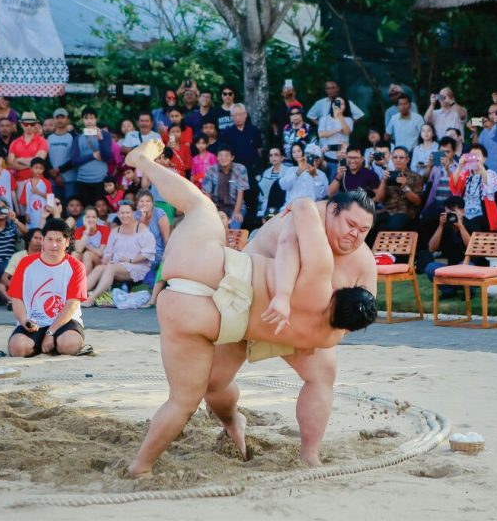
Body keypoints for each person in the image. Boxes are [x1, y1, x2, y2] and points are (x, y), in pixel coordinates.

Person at [123, 140, 376, 475]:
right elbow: (288, 243)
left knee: (323, 375)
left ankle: (309, 453)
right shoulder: (309, 235)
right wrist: (285, 298)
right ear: (330, 210)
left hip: (269, 316)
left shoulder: (347, 264)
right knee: (213, 386)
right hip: (239, 307)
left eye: (364, 231)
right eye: (351, 226)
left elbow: (353, 317)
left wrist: (292, 305)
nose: (355, 235)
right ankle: (232, 423)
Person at [7, 218, 87, 357]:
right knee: (17, 348)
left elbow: (73, 304)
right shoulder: (26, 263)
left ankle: (53, 343)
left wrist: (51, 332)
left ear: (67, 242)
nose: (54, 244)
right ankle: (38, 345)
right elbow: (16, 298)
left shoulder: (76, 266)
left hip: (65, 321)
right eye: (49, 239)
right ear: (43, 240)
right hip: (34, 321)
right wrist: (24, 320)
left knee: (70, 344)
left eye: (59, 240)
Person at [84, 200, 155, 305]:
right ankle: (78, 294)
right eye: (122, 213)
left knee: (111, 268)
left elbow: (147, 253)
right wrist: (107, 258)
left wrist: (130, 260)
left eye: (127, 212)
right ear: (118, 214)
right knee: (100, 268)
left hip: (136, 266)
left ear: (133, 213)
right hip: (117, 264)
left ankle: (92, 298)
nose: (125, 215)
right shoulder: (115, 231)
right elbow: (108, 251)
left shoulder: (141, 228)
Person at [448, 143, 497, 232]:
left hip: (483, 215)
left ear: (484, 159)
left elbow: (491, 187)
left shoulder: (490, 173)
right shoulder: (465, 174)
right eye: (472, 155)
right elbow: (454, 189)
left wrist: (481, 168)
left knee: (471, 224)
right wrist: (460, 166)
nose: (475, 158)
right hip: (464, 214)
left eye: (478, 155)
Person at [372, 146, 424, 234]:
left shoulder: (416, 177)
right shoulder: (387, 175)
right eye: (395, 157)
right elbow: (378, 199)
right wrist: (384, 181)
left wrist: (405, 187)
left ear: (407, 159)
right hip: (386, 211)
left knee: (394, 224)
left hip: (404, 212)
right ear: (392, 159)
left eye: (401, 158)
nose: (398, 160)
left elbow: (418, 202)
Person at [69, 107, 113, 206]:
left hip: (101, 180)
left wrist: (101, 139)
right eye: (86, 118)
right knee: (86, 210)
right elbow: (74, 161)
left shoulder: (105, 135)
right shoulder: (78, 138)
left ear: (96, 119)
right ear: (82, 120)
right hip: (83, 180)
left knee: (101, 210)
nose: (89, 121)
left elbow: (107, 157)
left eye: (92, 118)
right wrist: (92, 155)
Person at [202, 148, 250, 228]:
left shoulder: (240, 169)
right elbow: (207, 193)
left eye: (227, 156)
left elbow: (240, 191)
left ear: (232, 157)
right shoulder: (210, 170)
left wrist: (237, 211)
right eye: (221, 156)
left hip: (235, 206)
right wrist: (214, 212)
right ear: (217, 157)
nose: (223, 158)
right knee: (214, 228)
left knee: (234, 228)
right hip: (217, 207)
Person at [8, 112, 49, 183]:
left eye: (32, 124)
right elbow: (10, 164)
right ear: (21, 125)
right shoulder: (15, 142)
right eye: (26, 124)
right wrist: (32, 164)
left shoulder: (42, 141)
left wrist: (19, 160)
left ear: (35, 125)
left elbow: (39, 161)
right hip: (18, 181)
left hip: (37, 181)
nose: (29, 126)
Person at [46, 108, 76, 202]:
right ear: (54, 120)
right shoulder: (47, 138)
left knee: (70, 208)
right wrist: (54, 176)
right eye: (57, 117)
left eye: (62, 117)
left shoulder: (74, 137)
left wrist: (59, 171)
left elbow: (75, 158)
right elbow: (44, 158)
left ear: (67, 120)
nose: (59, 120)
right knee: (51, 207)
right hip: (51, 181)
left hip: (70, 180)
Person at [73, 206, 111, 274]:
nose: (91, 220)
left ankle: (84, 282)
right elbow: (78, 249)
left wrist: (86, 246)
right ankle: (73, 280)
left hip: (101, 261)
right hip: (85, 260)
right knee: (74, 254)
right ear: (84, 218)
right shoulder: (79, 231)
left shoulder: (104, 229)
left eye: (94, 217)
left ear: (97, 219)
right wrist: (87, 230)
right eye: (88, 217)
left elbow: (100, 253)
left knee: (87, 254)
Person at [17, 158, 53, 229]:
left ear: (44, 170)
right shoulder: (27, 183)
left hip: (43, 212)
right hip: (31, 213)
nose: (38, 170)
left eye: (41, 168)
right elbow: (26, 200)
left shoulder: (46, 182)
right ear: (31, 168)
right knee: (31, 230)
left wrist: (38, 192)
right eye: (36, 168)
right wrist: (26, 213)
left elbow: (51, 199)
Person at [317, 97, 353, 165]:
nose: (339, 105)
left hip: (343, 155)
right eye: (337, 103)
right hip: (327, 154)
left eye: (342, 104)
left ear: (345, 106)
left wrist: (340, 116)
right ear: (332, 105)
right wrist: (337, 130)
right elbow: (321, 134)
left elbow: (347, 132)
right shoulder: (324, 119)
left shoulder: (349, 120)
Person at [256, 146, 289, 219]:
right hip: (268, 203)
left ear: (282, 157)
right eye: (271, 155)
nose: (273, 157)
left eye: (276, 155)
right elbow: (262, 194)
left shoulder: (288, 171)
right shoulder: (266, 173)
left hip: (284, 202)